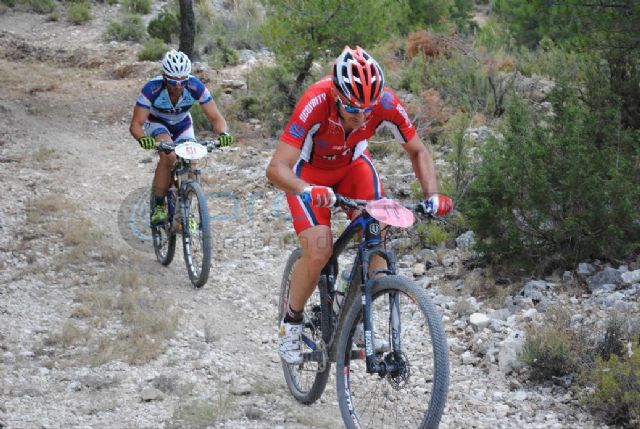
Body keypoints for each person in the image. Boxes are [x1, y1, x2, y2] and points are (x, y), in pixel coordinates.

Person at [266, 45, 453, 364]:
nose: (363, 117)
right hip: (309, 174)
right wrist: (306, 189)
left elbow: (418, 150)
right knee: (319, 250)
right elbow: (276, 168)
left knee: (378, 232)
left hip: (353, 168)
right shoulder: (315, 101)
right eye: (353, 108)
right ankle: (291, 322)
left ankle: (355, 312)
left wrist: (432, 195)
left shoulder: (385, 103)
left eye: (369, 109)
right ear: (336, 95)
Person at [129, 49, 234, 225]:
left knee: (191, 160)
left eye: (183, 81)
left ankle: (185, 210)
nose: (178, 86)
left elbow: (216, 117)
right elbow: (135, 124)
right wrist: (142, 138)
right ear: (164, 76)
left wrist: (223, 133)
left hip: (182, 123)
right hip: (157, 122)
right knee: (169, 156)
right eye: (173, 81)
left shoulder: (195, 86)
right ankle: (158, 206)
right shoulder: (152, 89)